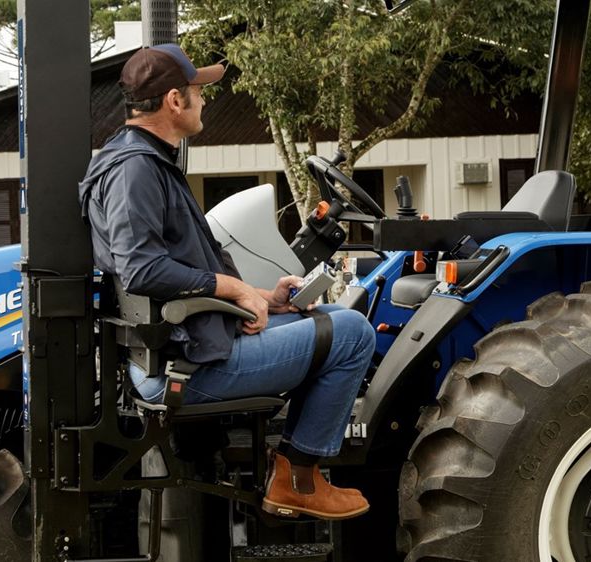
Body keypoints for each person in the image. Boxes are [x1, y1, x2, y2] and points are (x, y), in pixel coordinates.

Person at [78, 44, 375, 521]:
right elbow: (141, 270)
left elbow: (181, 266)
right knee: (356, 335)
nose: (204, 101)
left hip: (188, 346)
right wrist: (235, 291)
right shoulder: (136, 171)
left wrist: (264, 297)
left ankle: (297, 470)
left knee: (334, 316)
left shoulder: (143, 161)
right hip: (185, 368)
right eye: (198, 91)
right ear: (175, 100)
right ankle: (297, 479)